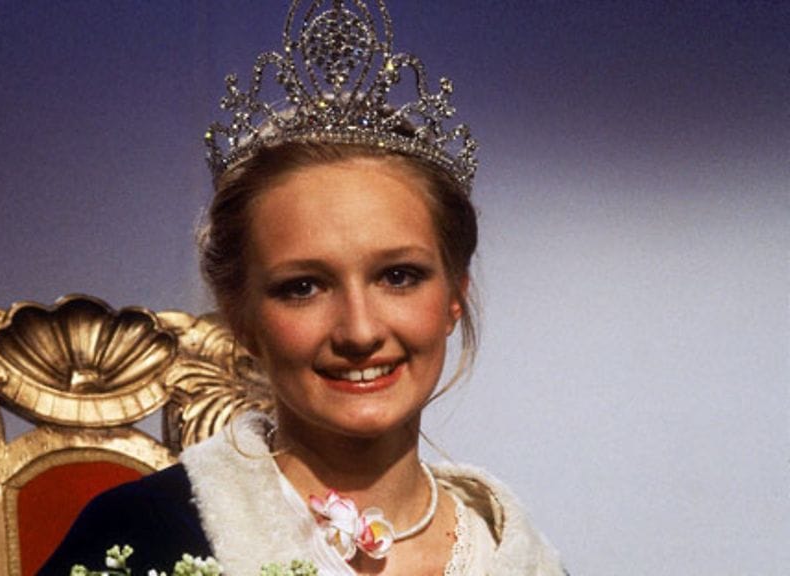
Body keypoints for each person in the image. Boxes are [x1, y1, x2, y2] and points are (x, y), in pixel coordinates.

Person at [39, 1, 565, 574]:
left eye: (398, 277)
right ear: (241, 316)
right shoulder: (141, 535)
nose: (359, 331)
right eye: (304, 287)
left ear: (454, 297)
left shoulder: (517, 556)